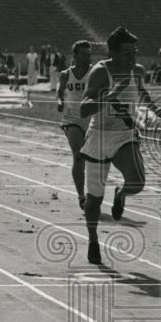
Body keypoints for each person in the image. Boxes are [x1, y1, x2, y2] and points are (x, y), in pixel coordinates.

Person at [79, 27, 161, 265]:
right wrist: (108, 96)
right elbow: (84, 108)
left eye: (135, 52)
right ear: (112, 52)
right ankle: (93, 240)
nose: (133, 57)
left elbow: (141, 93)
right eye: (127, 52)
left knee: (137, 181)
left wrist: (159, 112)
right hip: (100, 135)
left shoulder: (136, 71)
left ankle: (121, 194)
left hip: (125, 134)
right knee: (93, 200)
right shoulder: (100, 72)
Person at [56, 40, 93, 210]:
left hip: (92, 120)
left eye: (89, 54)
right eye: (83, 54)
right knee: (78, 156)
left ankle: (95, 192)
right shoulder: (66, 74)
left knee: (94, 159)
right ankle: (81, 196)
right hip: (72, 119)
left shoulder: (95, 72)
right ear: (75, 56)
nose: (87, 57)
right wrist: (60, 100)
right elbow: (60, 89)